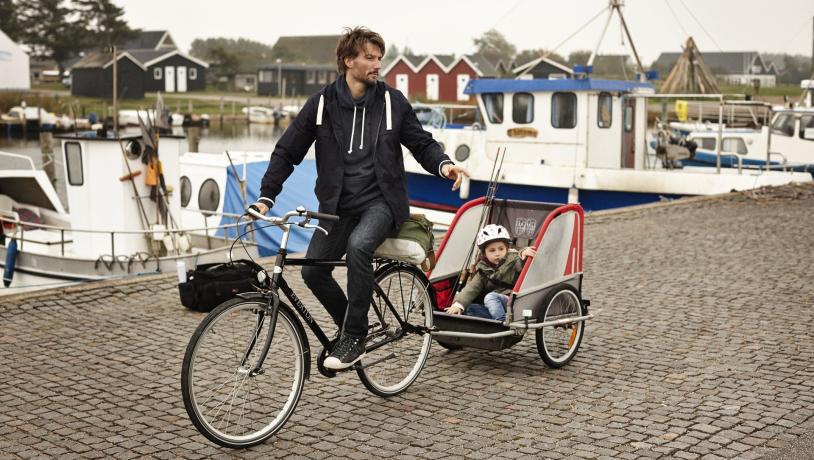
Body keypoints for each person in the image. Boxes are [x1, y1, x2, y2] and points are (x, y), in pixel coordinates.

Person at [250, 27, 468, 371]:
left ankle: (353, 337)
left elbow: (421, 143)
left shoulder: (392, 102)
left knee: (359, 246)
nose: (377, 64)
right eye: (369, 57)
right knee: (313, 272)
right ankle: (354, 329)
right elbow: (287, 151)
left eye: (379, 58)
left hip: (381, 202)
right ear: (348, 61)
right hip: (336, 206)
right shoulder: (322, 104)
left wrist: (444, 165)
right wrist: (267, 196)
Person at [446, 224, 536, 321]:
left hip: (513, 302)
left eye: (501, 249)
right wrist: (458, 305)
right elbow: (472, 288)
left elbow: (522, 263)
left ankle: (501, 322)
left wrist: (524, 253)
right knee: (468, 308)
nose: (497, 253)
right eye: (492, 250)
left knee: (490, 297)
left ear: (507, 249)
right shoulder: (483, 269)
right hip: (494, 307)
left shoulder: (514, 260)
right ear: (484, 253)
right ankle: (493, 320)